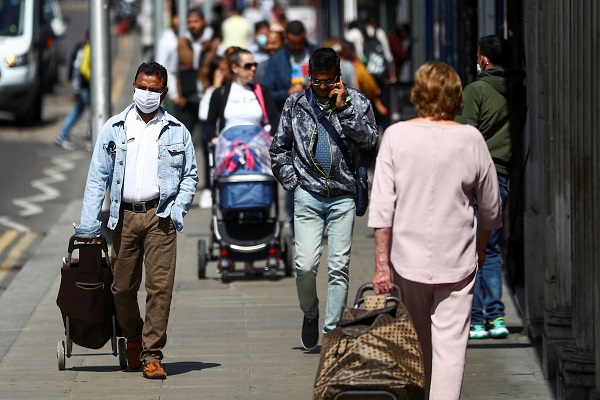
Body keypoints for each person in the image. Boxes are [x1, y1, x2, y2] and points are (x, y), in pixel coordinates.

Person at [368, 61, 502, 399]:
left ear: (418, 94)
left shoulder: (397, 135)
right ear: (456, 96)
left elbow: (383, 207)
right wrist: (482, 243)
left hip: (406, 260)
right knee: (451, 349)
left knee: (415, 344)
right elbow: (490, 207)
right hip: (456, 259)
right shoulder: (471, 139)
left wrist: (382, 264)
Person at [74, 61, 198, 379]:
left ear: (164, 92)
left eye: (153, 90)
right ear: (133, 85)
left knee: (160, 288)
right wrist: (89, 227)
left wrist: (178, 208)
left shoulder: (177, 131)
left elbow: (190, 175)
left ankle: (152, 355)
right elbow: (97, 177)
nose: (146, 94)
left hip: (161, 216)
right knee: (121, 288)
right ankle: (133, 336)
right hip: (125, 217)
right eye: (142, 87)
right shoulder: (114, 127)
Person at [270, 48, 378, 349]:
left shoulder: (357, 103)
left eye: (328, 81)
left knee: (339, 266)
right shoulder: (296, 104)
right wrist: (293, 182)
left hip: (343, 196)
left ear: (338, 78)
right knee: (304, 265)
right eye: (316, 81)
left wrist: (343, 110)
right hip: (308, 195)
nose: (322, 87)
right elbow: (279, 148)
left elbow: (370, 143)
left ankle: (332, 332)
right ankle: (310, 312)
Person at [456, 35, 527, 340]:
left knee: (471, 248)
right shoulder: (518, 91)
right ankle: (497, 317)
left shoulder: (477, 89)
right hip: (502, 175)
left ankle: (475, 320)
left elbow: (463, 133)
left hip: (475, 175)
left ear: (483, 59)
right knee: (491, 246)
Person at [206, 48, 279, 276]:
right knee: (231, 200)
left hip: (257, 156)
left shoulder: (260, 91)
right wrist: (215, 139)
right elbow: (209, 124)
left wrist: (271, 135)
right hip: (231, 156)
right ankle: (235, 250)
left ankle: (252, 258)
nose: (253, 69)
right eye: (248, 66)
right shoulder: (222, 93)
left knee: (259, 198)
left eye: (255, 65)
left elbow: (275, 119)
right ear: (235, 68)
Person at [261, 20, 319, 230]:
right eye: (292, 44)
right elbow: (266, 92)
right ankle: (295, 219)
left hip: (316, 120)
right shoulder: (276, 61)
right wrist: (286, 94)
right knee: (294, 171)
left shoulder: (317, 53)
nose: (295, 47)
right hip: (290, 122)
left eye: (299, 43)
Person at [54, 31, 91, 151]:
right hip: (86, 87)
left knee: (78, 110)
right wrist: (95, 79)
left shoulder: (81, 48)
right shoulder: (88, 49)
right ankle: (90, 136)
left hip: (81, 87)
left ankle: (63, 135)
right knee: (96, 111)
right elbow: (83, 69)